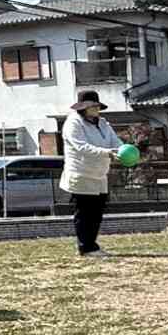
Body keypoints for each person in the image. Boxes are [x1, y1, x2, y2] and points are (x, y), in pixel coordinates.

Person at [60, 89, 125, 259]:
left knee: (97, 211)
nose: (96, 109)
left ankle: (91, 245)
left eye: (97, 106)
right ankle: (86, 247)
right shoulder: (73, 123)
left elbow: (114, 141)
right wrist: (108, 152)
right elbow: (82, 147)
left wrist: (122, 150)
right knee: (85, 212)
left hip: (100, 174)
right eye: (92, 106)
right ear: (83, 107)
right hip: (81, 174)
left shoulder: (103, 123)